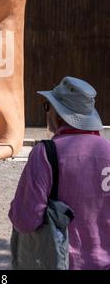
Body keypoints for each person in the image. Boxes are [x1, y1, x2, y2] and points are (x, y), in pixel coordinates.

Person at [9, 76, 110, 270]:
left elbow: (25, 219)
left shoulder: (46, 153)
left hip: (64, 262)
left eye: (48, 106)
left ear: (57, 113)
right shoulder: (107, 150)